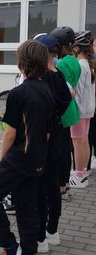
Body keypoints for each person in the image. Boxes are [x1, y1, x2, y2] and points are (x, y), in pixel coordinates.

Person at [0, 39, 55, 255]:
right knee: (27, 206)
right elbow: (48, 132)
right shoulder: (48, 91)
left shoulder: (18, 94)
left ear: (22, 63)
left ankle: (9, 246)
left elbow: (10, 133)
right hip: (37, 158)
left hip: (19, 158)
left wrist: (3, 160)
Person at [34, 34, 72, 252]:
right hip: (58, 137)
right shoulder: (58, 74)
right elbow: (66, 99)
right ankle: (53, 231)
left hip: (45, 140)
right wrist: (57, 117)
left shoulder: (44, 77)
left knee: (41, 189)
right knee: (53, 187)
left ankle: (41, 239)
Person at [50, 26, 81, 200]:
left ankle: (60, 187)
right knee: (65, 149)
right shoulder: (74, 60)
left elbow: (60, 88)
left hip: (62, 111)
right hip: (70, 110)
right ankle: (65, 184)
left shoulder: (62, 64)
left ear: (62, 45)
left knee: (59, 151)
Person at [69, 31, 96, 188]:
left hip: (80, 110)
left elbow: (77, 92)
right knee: (84, 140)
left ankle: (79, 176)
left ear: (77, 49)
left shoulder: (80, 66)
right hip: (89, 108)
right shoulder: (89, 64)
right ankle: (83, 172)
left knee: (77, 141)